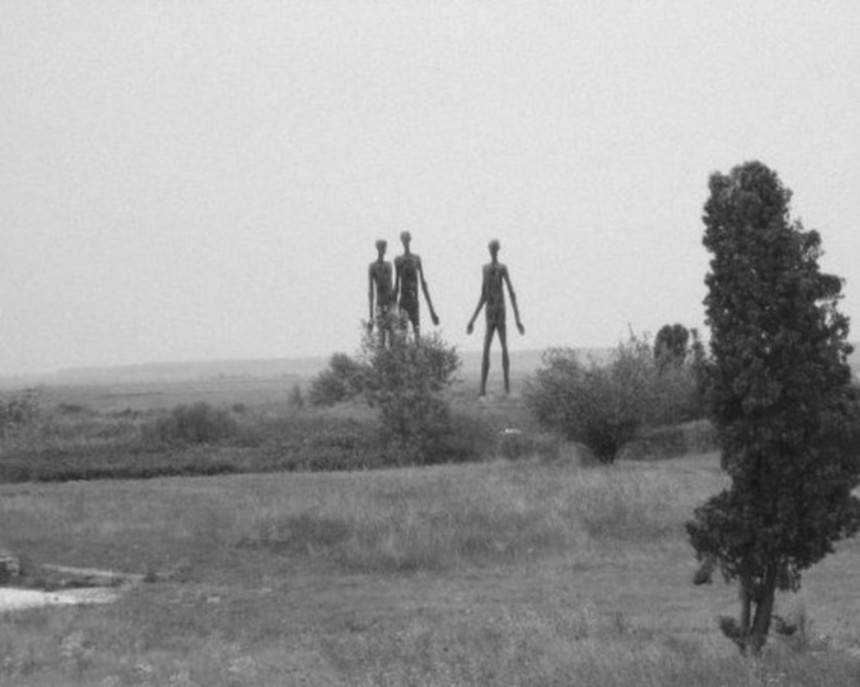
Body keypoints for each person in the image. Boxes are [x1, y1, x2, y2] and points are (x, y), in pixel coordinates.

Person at [466, 239, 525, 396]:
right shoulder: (485, 269)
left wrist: (517, 319)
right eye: (491, 248)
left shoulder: (502, 268)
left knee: (504, 346)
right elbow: (483, 295)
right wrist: (472, 319)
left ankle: (507, 387)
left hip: (500, 311)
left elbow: (511, 293)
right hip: (490, 312)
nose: (492, 250)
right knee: (486, 348)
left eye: (494, 248)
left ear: (498, 249)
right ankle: (482, 388)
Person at [394, 231, 439, 340]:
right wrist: (391, 311)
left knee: (417, 334)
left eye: (407, 239)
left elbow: (423, 284)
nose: (405, 242)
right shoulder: (398, 260)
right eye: (403, 239)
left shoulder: (416, 259)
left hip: (414, 301)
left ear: (410, 240)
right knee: (401, 337)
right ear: (401, 241)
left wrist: (432, 311)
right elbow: (396, 286)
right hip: (403, 302)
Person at [367, 239, 395, 347]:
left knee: (392, 336)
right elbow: (371, 291)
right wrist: (371, 316)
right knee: (381, 336)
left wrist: (394, 306)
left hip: (389, 304)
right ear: (378, 249)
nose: (383, 250)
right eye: (381, 248)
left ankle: (392, 356)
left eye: (384, 248)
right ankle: (382, 356)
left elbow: (391, 286)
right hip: (379, 304)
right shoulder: (373, 266)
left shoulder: (389, 265)